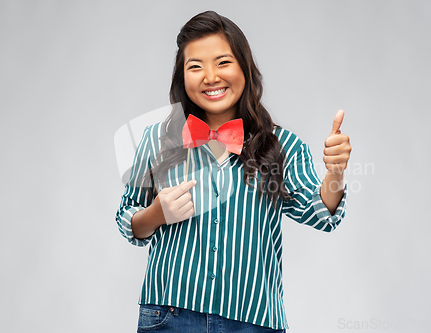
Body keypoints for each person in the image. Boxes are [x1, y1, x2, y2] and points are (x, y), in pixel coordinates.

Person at [116, 10, 351, 333]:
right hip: (170, 315)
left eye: (223, 62)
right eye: (195, 66)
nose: (210, 77)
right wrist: (155, 215)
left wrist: (335, 173)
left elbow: (322, 214)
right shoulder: (156, 140)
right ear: (182, 77)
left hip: (252, 320)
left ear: (245, 68)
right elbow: (127, 216)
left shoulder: (283, 145)